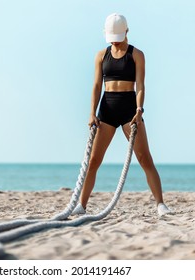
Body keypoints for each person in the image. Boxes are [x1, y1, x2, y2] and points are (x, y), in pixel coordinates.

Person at [72, 13, 172, 217]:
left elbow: (141, 86)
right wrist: (92, 113)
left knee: (145, 159)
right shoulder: (101, 55)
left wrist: (139, 109)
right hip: (107, 109)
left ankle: (160, 204)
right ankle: (81, 205)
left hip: (129, 110)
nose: (115, 42)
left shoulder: (137, 54)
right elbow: (97, 85)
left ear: (126, 32)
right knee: (93, 161)